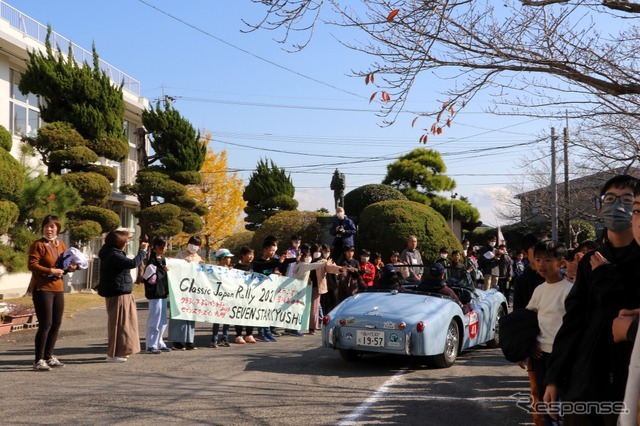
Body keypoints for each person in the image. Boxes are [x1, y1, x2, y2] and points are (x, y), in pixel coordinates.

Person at [544, 174, 640, 425]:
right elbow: (573, 321)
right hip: (586, 375)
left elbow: (626, 314)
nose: (617, 205)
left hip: (627, 377)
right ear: (600, 206)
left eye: (627, 200)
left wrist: (608, 278)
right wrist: (554, 377)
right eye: (610, 199)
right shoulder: (591, 260)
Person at [525, 240, 573, 425]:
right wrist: (529, 344)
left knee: (560, 406)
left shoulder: (570, 291)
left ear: (561, 262)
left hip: (563, 357)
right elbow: (528, 319)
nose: (541, 265)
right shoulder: (539, 290)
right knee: (546, 405)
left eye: (547, 260)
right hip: (540, 356)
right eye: (538, 260)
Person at [28, 215, 76, 371]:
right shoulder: (38, 245)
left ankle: (49, 357)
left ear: (57, 229)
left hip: (58, 288)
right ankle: (38, 360)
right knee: (45, 325)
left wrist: (70, 268)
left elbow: (63, 266)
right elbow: (32, 265)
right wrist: (50, 270)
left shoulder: (60, 244)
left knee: (56, 324)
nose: (49, 229)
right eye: (46, 226)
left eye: (52, 227)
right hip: (42, 289)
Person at [97, 229, 148, 363]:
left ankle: (121, 350)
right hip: (118, 292)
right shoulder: (114, 255)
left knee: (124, 324)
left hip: (120, 291)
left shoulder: (109, 252)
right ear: (118, 243)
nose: (126, 244)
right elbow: (132, 263)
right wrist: (142, 252)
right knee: (118, 324)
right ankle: (113, 354)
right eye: (125, 241)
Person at [511, 232, 546, 426]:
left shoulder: (560, 278)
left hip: (562, 346)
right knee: (538, 394)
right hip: (536, 347)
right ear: (526, 254)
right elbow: (518, 315)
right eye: (536, 252)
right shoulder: (523, 280)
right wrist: (521, 347)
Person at [169, 235, 203, 351]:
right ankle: (177, 341)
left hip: (192, 291)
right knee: (179, 315)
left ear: (199, 247)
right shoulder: (180, 255)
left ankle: (189, 340)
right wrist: (183, 263)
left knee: (190, 316)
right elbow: (173, 267)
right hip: (180, 291)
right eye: (192, 243)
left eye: (196, 244)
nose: (194, 246)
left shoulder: (199, 258)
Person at [143, 236, 171, 354]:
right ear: (157, 248)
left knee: (163, 319)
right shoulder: (152, 261)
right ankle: (151, 344)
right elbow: (150, 278)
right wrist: (163, 270)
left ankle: (159, 342)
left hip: (163, 293)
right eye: (164, 247)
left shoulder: (163, 260)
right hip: (155, 294)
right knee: (154, 318)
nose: (165, 249)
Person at [210, 249, 234, 348]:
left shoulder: (231, 270)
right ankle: (214, 339)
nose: (230, 260)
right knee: (217, 318)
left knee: (227, 318)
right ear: (223, 258)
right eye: (228, 258)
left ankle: (225, 337)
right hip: (218, 297)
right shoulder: (214, 270)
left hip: (228, 297)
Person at [233, 246, 256, 344]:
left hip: (251, 295)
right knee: (239, 314)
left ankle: (249, 334)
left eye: (252, 254)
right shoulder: (236, 267)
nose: (251, 257)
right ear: (243, 255)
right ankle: (238, 335)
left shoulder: (254, 266)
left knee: (250, 314)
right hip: (240, 295)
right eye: (249, 254)